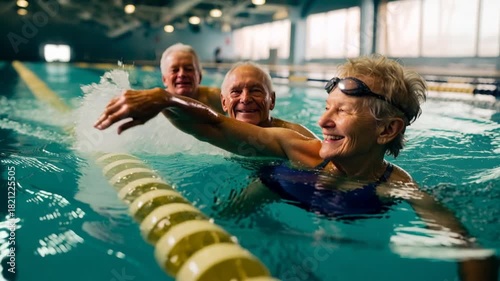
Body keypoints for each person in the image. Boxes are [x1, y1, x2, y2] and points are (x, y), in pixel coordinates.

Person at [95, 53, 497, 280]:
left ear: (387, 130)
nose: (322, 122)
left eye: (341, 113)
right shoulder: (297, 148)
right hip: (274, 186)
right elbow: (211, 125)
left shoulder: (401, 188)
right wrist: (163, 99)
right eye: (326, 109)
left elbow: (472, 253)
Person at [158, 43, 316, 138]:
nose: (245, 99)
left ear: (272, 100)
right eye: (235, 92)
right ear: (224, 103)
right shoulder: (217, 133)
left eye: (256, 91)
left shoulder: (292, 136)